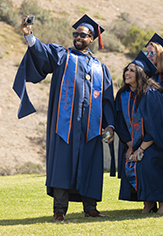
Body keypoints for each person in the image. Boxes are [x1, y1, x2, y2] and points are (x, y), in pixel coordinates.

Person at [13, 14, 115, 222]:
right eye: (76, 34)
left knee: (90, 165)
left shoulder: (100, 68)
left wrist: (109, 125)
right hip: (64, 126)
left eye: (83, 35)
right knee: (62, 165)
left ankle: (91, 208)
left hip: (91, 128)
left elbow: (106, 100)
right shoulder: (62, 56)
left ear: (92, 38)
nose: (78, 37)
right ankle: (59, 210)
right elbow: (41, 51)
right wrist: (28, 35)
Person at [115, 51, 163, 214]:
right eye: (127, 69)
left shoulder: (152, 94)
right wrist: (130, 147)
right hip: (135, 143)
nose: (127, 73)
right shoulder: (122, 95)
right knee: (134, 162)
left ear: (140, 74)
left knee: (149, 161)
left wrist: (141, 149)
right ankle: (148, 202)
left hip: (158, 143)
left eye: (132, 70)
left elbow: (158, 127)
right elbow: (120, 123)